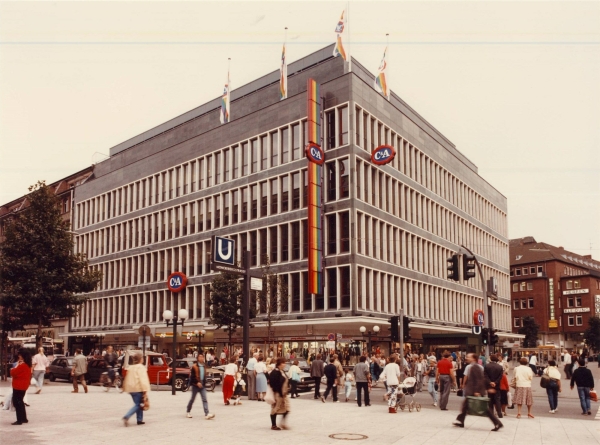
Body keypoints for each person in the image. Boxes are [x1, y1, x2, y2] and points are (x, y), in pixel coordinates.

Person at [453, 353, 502, 431]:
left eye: (469, 357)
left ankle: (497, 423)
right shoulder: (473, 366)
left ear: (474, 358)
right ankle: (461, 420)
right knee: (465, 406)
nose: (467, 358)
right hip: (473, 390)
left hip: (475, 391)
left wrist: (477, 391)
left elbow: (479, 380)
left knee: (485, 409)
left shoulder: (475, 367)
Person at [122, 352, 150, 426]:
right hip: (138, 388)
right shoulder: (141, 367)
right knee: (138, 404)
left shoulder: (130, 367)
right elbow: (143, 379)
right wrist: (145, 390)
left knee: (140, 404)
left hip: (131, 389)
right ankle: (127, 416)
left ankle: (139, 419)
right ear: (141, 359)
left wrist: (124, 387)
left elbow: (127, 378)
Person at [186, 354, 215, 419]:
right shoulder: (194, 366)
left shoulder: (204, 366)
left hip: (202, 385)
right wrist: (197, 382)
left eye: (202, 357)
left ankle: (207, 413)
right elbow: (192, 376)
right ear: (197, 358)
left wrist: (205, 382)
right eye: (200, 357)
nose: (201, 358)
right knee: (192, 399)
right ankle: (188, 411)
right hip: (195, 385)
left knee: (204, 399)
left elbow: (205, 375)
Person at [10, 349, 32, 425]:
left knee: (17, 402)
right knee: (21, 402)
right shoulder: (27, 365)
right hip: (24, 385)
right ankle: (24, 418)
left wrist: (14, 367)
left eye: (20, 355)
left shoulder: (22, 365)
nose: (19, 356)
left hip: (18, 385)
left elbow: (13, 373)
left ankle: (19, 420)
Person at [269, 358, 290, 430]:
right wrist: (277, 391)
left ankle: (282, 423)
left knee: (287, 408)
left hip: (284, 394)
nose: (284, 364)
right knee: (276, 408)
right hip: (278, 393)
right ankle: (273, 425)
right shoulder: (275, 372)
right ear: (279, 364)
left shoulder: (282, 371)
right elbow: (272, 382)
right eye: (283, 363)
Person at [484, 354, 504, 419]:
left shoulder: (487, 366)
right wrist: (495, 382)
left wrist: (490, 382)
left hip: (489, 385)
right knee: (497, 399)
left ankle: (491, 413)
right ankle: (499, 413)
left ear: (490, 359)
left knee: (490, 399)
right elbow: (501, 376)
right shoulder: (500, 367)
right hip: (497, 385)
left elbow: (485, 375)